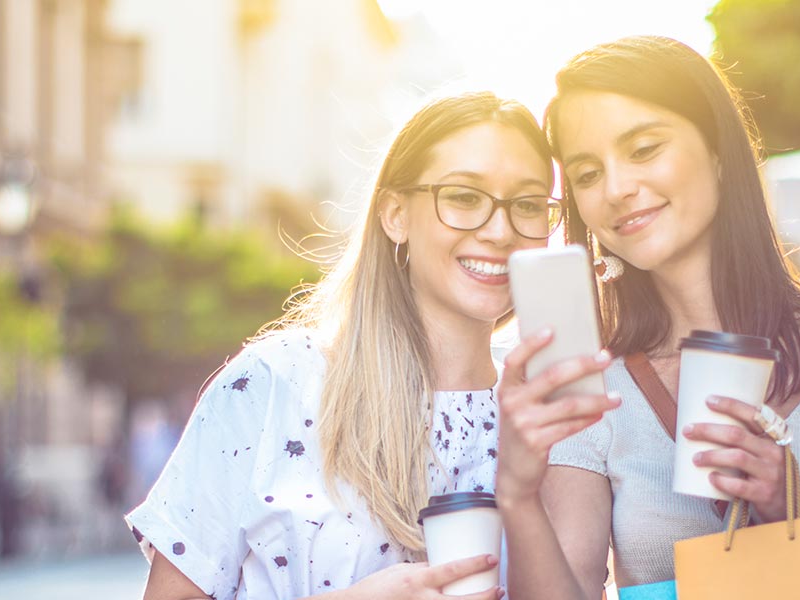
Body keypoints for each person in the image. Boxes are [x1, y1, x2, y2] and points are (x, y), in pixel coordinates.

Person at [496, 36, 800, 599]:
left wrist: (795, 509)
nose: (617, 189)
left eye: (644, 149)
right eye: (586, 173)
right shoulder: (593, 392)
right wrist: (517, 496)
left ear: (719, 152)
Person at [130, 91, 565, 600]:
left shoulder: (552, 411)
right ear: (395, 215)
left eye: (529, 205)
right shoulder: (273, 385)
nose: (499, 229)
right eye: (464, 197)